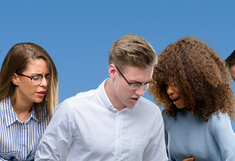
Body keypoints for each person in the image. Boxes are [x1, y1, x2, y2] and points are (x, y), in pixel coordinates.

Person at [36, 34, 167, 161]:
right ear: (113, 72)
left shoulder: (152, 114)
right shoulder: (72, 110)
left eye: (146, 84)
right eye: (134, 83)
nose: (141, 92)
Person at [149, 37, 235, 161]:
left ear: (193, 82)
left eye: (174, 83)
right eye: (166, 84)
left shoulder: (216, 119)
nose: (169, 91)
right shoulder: (167, 118)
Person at [0, 42, 59, 161]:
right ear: (15, 78)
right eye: (36, 77)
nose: (45, 84)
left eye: (46, 76)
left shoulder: (51, 116)